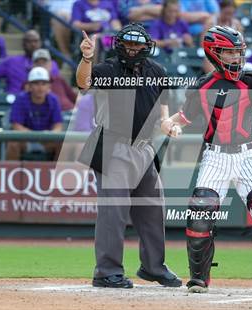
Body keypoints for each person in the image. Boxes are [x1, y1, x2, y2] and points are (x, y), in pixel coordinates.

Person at [161, 25, 252, 294]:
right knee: (200, 214)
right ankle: (200, 278)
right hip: (215, 157)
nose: (236, 58)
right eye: (229, 53)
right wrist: (170, 123)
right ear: (214, 54)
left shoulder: (250, 79)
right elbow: (184, 118)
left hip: (247, 156)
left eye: (238, 52)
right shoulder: (203, 86)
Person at [76, 23, 182, 288]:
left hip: (145, 147)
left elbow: (163, 112)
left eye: (138, 44)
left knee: (153, 209)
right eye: (129, 43)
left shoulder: (157, 71)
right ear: (119, 44)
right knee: (114, 212)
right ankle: (106, 272)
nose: (133, 48)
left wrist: (168, 124)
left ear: (146, 47)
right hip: (113, 144)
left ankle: (153, 267)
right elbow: (83, 83)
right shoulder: (107, 69)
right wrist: (87, 58)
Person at [0, 30, 60, 94]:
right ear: (23, 44)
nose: (33, 44)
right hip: (14, 101)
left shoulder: (51, 64)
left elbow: (56, 84)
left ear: (40, 43)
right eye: (29, 41)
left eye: (36, 41)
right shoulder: (12, 61)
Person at [6, 67, 63, 160]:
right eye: (36, 83)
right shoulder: (20, 99)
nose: (40, 88)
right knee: (13, 144)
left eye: (44, 84)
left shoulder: (54, 100)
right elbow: (16, 126)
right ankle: (12, 173)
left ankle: (58, 174)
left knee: (63, 145)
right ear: (29, 86)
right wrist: (35, 136)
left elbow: (58, 126)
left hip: (46, 141)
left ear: (49, 86)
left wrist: (49, 134)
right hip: (25, 140)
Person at [202, 0, 243, 73]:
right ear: (220, 10)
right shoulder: (210, 22)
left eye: (231, 14)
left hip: (231, 52)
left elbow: (241, 44)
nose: (228, 16)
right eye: (226, 13)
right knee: (208, 58)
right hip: (214, 52)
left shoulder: (237, 25)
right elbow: (203, 43)